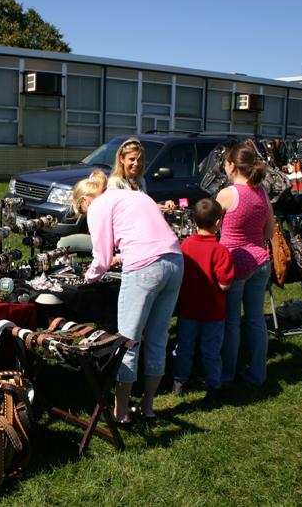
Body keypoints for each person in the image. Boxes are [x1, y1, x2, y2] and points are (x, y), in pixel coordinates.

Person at [72, 169, 183, 420]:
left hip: (145, 268)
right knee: (157, 339)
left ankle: (121, 411)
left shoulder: (99, 205)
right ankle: (148, 406)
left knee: (127, 342)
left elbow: (101, 257)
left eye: (82, 211)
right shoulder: (135, 195)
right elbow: (147, 235)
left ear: (85, 201)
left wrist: (88, 277)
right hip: (175, 261)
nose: (85, 215)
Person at [217, 140, 275, 387]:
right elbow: (270, 232)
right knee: (255, 320)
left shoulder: (227, 194)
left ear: (231, 165)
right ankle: (258, 372)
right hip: (261, 260)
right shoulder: (261, 192)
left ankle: (227, 374)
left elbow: (211, 227)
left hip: (234, 263)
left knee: (231, 322)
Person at [172, 198, 235, 402]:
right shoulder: (220, 250)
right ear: (218, 223)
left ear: (195, 221)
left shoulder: (185, 245)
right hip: (213, 311)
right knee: (211, 350)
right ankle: (214, 386)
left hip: (189, 308)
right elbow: (225, 284)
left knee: (184, 346)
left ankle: (179, 381)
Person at [107, 138, 176, 210]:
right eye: (132, 159)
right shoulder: (115, 182)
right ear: (122, 159)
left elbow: (144, 205)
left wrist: (164, 204)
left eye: (139, 159)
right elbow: (117, 210)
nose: (136, 164)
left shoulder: (141, 181)